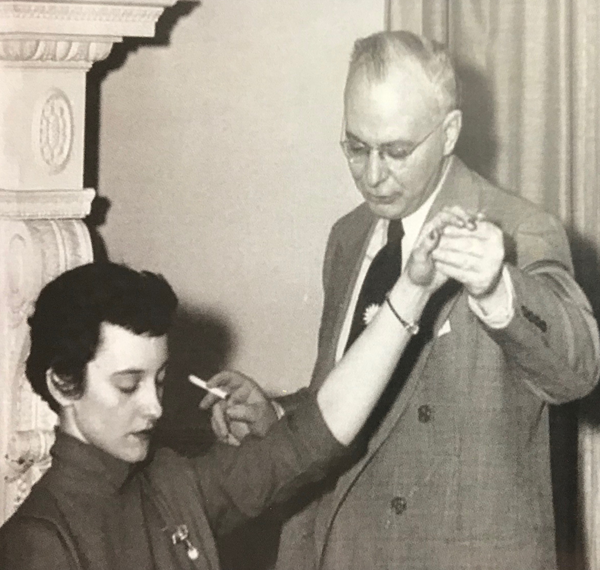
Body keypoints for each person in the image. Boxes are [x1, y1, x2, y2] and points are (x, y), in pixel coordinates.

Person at [204, 31, 600, 570]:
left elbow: (577, 370)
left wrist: (497, 289)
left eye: (396, 152)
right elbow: (357, 396)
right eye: (356, 147)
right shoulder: (348, 237)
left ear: (449, 132)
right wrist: (278, 414)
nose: (373, 175)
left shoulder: (517, 229)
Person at [0, 216, 462, 570]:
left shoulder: (171, 481)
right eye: (128, 385)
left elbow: (313, 437)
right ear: (63, 383)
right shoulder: (37, 543)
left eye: (159, 381)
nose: (155, 407)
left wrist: (412, 292)